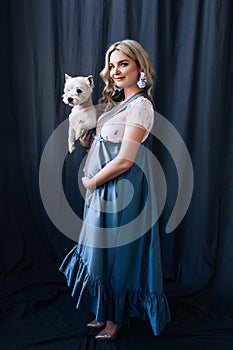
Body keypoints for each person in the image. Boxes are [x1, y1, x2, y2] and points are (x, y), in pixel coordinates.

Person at [59, 39, 171, 342]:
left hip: (123, 191)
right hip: (105, 191)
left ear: (139, 68)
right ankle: (105, 310)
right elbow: (107, 145)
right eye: (112, 65)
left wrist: (93, 182)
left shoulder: (141, 106)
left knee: (120, 253)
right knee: (102, 252)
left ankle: (116, 319)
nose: (116, 70)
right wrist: (87, 142)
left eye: (123, 63)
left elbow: (125, 159)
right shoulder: (119, 104)